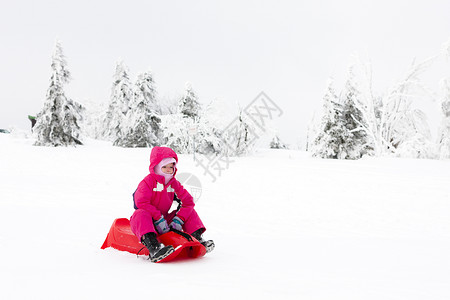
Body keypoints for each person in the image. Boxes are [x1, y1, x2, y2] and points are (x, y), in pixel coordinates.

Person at [130, 146, 214, 262]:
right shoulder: (147, 182)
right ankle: (154, 248)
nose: (169, 170)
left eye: (171, 166)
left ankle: (197, 239)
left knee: (190, 212)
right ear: (156, 167)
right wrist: (158, 218)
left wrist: (179, 219)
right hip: (149, 220)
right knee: (140, 214)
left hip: (165, 220)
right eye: (164, 167)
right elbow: (141, 202)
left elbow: (188, 202)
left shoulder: (173, 183)